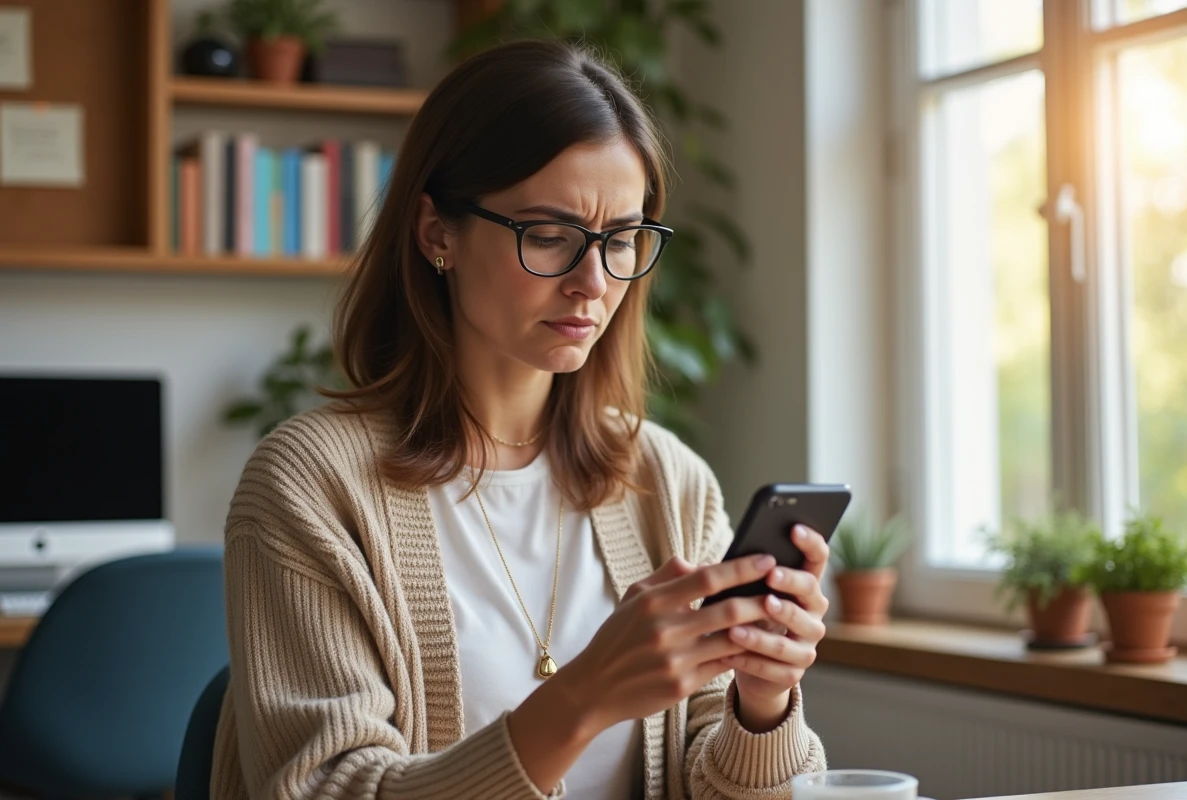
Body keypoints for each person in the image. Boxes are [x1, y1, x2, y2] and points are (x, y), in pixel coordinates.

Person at [212, 38, 828, 800]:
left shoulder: (666, 481)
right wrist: (581, 699)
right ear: (437, 232)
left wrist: (761, 705)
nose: (593, 283)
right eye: (550, 236)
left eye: (621, 239)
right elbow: (326, 789)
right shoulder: (311, 485)